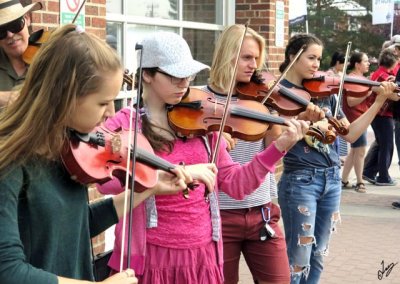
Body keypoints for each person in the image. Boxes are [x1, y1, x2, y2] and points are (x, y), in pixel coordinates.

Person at [97, 31, 310, 284]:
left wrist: (279, 147)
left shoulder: (202, 124)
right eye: (175, 76)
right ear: (147, 74)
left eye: (188, 75)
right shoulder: (124, 125)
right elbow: (105, 183)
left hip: (201, 256)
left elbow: (236, 184)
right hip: (151, 257)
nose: (185, 82)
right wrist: (179, 171)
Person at [0, 23, 152, 284]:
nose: (111, 113)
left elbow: (75, 226)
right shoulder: (11, 161)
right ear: (65, 94)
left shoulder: (66, 150)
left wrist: (150, 188)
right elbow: (8, 271)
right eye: (103, 102)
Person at [204, 24, 324, 284]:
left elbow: (272, 146)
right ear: (227, 55)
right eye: (247, 57)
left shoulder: (262, 100)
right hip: (218, 214)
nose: (254, 66)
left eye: (257, 59)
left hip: (261, 211)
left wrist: (296, 121)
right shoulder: (200, 101)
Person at [276, 33, 398, 284]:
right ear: (292, 56)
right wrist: (303, 120)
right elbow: (275, 142)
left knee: (319, 254)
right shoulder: (279, 93)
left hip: (331, 180)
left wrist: (379, 100)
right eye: (311, 57)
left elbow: (351, 134)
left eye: (319, 59)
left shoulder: (326, 93)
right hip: (300, 182)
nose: (316, 65)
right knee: (298, 258)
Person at [362, 48, 398, 186]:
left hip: (378, 114)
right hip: (382, 115)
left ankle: (370, 172)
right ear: (392, 62)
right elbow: (393, 96)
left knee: (381, 145)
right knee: (387, 146)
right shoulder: (383, 76)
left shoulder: (379, 73)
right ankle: (383, 176)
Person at [0, 0, 42, 106]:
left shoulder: (49, 57)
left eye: (15, 25)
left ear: (27, 18)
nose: (9, 35)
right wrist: (3, 97)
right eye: (1, 31)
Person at [341, 51, 372, 193]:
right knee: (360, 151)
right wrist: (368, 93)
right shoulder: (352, 79)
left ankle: (344, 179)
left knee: (354, 151)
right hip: (355, 119)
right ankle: (360, 182)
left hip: (360, 117)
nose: (368, 64)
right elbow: (351, 102)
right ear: (357, 64)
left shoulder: (361, 78)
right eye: (365, 61)